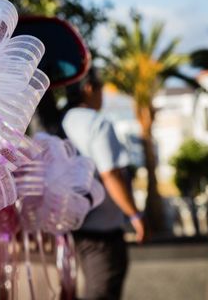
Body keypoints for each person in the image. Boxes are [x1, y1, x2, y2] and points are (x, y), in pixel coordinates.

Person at [61, 68, 145, 300]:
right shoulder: (97, 124)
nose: (103, 95)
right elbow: (111, 175)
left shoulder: (61, 123)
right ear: (88, 88)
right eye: (101, 88)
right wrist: (135, 216)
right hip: (102, 234)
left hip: (70, 233)